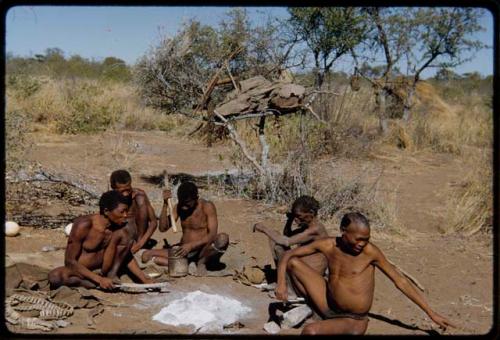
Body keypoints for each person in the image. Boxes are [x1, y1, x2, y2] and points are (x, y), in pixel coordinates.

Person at [275, 212, 456, 335]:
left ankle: (322, 320)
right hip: (328, 304)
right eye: (359, 238)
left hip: (353, 318)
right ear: (343, 232)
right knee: (293, 263)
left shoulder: (370, 253)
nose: (362, 243)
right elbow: (290, 254)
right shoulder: (328, 245)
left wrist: (431, 313)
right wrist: (281, 283)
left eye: (366, 239)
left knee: (310, 332)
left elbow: (399, 281)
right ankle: (315, 310)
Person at [48, 191, 153, 290]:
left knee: (125, 234)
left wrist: (144, 279)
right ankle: (93, 284)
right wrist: (99, 280)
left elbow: (126, 254)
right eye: (122, 212)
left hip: (103, 271)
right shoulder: (84, 225)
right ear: (106, 211)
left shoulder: (118, 228)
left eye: (126, 211)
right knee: (55, 277)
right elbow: (70, 261)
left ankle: (110, 276)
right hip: (81, 271)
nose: (125, 215)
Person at [141, 181, 229, 276]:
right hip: (183, 251)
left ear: (196, 198)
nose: (183, 207)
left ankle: (201, 263)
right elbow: (162, 228)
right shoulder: (178, 207)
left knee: (222, 239)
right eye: (181, 202)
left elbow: (212, 235)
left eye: (187, 203)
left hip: (203, 250)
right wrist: (165, 205)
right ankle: (185, 264)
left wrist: (191, 246)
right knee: (146, 255)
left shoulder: (207, 207)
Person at [253, 195, 329, 297]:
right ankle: (283, 281)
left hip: (309, 275)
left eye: (299, 216)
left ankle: (290, 289)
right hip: (302, 269)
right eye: (295, 216)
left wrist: (263, 229)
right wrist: (290, 220)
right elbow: (287, 235)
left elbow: (286, 242)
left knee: (280, 248)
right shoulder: (307, 226)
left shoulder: (315, 230)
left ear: (311, 213)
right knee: (274, 239)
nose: (297, 220)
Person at [110, 169, 158, 254]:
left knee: (141, 200)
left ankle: (139, 242)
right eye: (122, 191)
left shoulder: (139, 194)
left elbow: (153, 222)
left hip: (138, 238)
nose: (126, 194)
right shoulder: (109, 198)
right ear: (113, 188)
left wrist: (139, 244)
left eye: (128, 189)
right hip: (120, 238)